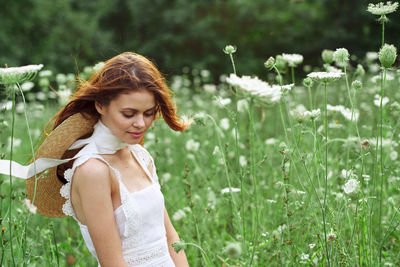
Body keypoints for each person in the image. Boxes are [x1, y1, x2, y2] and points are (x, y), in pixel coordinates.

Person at [3, 52, 190, 266]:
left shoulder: (140, 156)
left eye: (148, 113)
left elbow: (171, 238)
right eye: (129, 114)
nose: (141, 123)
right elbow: (112, 262)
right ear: (100, 105)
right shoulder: (93, 171)